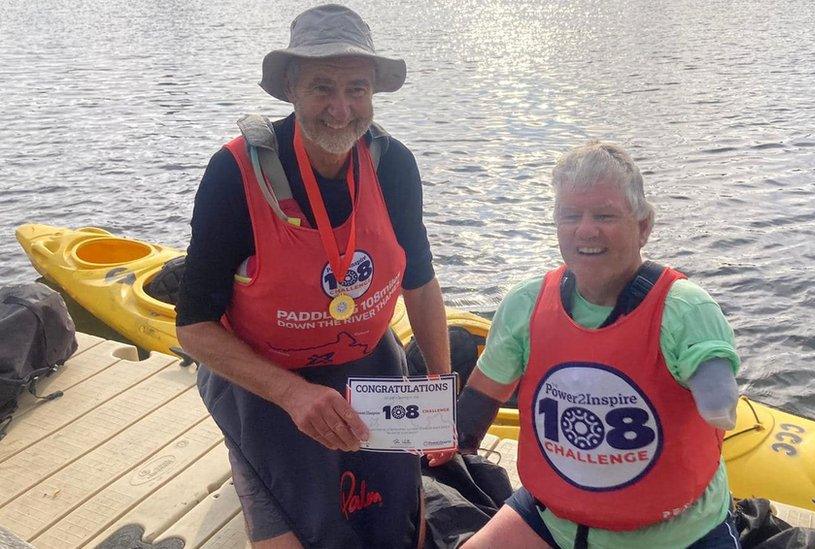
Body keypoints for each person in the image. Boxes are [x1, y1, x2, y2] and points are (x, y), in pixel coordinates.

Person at [175, 5, 450, 548]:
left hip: (367, 358)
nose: (341, 109)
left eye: (357, 89)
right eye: (322, 88)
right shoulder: (235, 172)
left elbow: (418, 282)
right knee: (306, 534)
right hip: (262, 374)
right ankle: (249, 464)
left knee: (399, 533)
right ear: (290, 89)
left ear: (374, 93)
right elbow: (193, 327)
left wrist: (438, 391)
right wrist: (294, 395)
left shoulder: (393, 165)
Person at [433, 142, 741, 548]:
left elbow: (718, 394)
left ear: (644, 226)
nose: (586, 229)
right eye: (570, 215)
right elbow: (479, 401)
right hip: (552, 518)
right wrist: (431, 437)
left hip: (677, 534)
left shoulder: (684, 309)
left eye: (604, 215)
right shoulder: (526, 303)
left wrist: (715, 387)